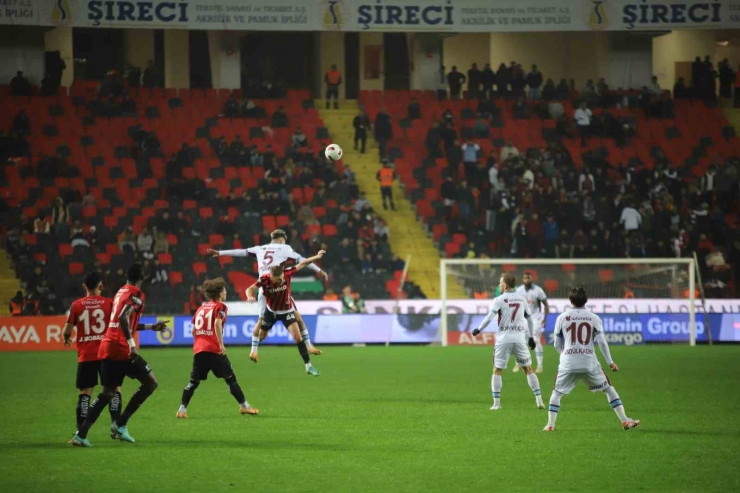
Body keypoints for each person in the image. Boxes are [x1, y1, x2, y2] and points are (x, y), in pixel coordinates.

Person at [70, 264, 168, 447]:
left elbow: (121, 321)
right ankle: (120, 424)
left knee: (107, 392)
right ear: (143, 277)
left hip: (107, 346)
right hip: (121, 348)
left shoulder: (120, 292)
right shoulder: (137, 295)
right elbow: (124, 318)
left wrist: (150, 327)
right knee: (151, 382)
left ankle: (81, 434)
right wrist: (132, 345)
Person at [206, 229, 328, 364]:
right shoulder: (285, 248)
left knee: (261, 321)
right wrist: (319, 270)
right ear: (282, 240)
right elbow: (302, 261)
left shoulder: (259, 248)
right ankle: (309, 346)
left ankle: (254, 349)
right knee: (297, 316)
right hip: (279, 287)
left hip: (263, 288)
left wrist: (220, 253)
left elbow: (242, 252)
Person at [544, 287, 640, 431]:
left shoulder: (562, 317)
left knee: (557, 392)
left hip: (568, 363)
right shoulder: (594, 317)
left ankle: (550, 425)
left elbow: (557, 344)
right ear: (586, 300)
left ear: (570, 300)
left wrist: (566, 356)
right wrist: (610, 362)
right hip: (589, 363)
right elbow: (601, 341)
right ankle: (625, 421)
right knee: (608, 389)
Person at [176, 278, 259, 418]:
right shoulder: (220, 307)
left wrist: (201, 341)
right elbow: (217, 323)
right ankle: (244, 406)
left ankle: (181, 410)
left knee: (194, 381)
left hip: (199, 350)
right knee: (230, 378)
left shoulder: (201, 308)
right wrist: (221, 344)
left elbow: (193, 330)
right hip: (214, 349)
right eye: (224, 290)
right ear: (220, 293)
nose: (226, 292)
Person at [246, 252, 326, 376]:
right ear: (271, 277)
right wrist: (250, 296)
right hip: (271, 312)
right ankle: (254, 351)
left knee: (297, 338)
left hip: (286, 311)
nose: (281, 281)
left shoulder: (287, 274)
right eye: (277, 280)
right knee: (262, 336)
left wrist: (316, 257)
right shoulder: (264, 279)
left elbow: (303, 263)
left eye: (281, 278)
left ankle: (309, 366)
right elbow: (249, 289)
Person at [472, 272, 543, 410]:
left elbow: (489, 317)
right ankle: (539, 400)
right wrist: (531, 337)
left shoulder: (499, 300)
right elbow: (529, 318)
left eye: (500, 283)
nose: (499, 285)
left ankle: (496, 404)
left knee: (497, 370)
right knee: (528, 369)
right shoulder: (522, 299)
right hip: (519, 338)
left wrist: (479, 329)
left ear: (504, 286)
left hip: (503, 339)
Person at [62, 272, 121, 436]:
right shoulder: (109, 304)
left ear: (84, 287)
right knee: (114, 389)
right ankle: (117, 429)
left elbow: (66, 331)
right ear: (101, 286)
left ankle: (80, 432)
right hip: (106, 353)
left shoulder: (76, 305)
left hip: (86, 354)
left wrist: (66, 338)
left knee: (85, 393)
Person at [513, 272, 549, 374]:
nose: (527, 280)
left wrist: (545, 318)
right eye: (525, 278)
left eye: (529, 278)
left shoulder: (538, 290)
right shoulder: (519, 291)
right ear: (522, 280)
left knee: (536, 341)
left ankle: (540, 366)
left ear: (532, 279)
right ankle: (519, 363)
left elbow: (546, 305)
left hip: (536, 320)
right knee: (522, 342)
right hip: (523, 320)